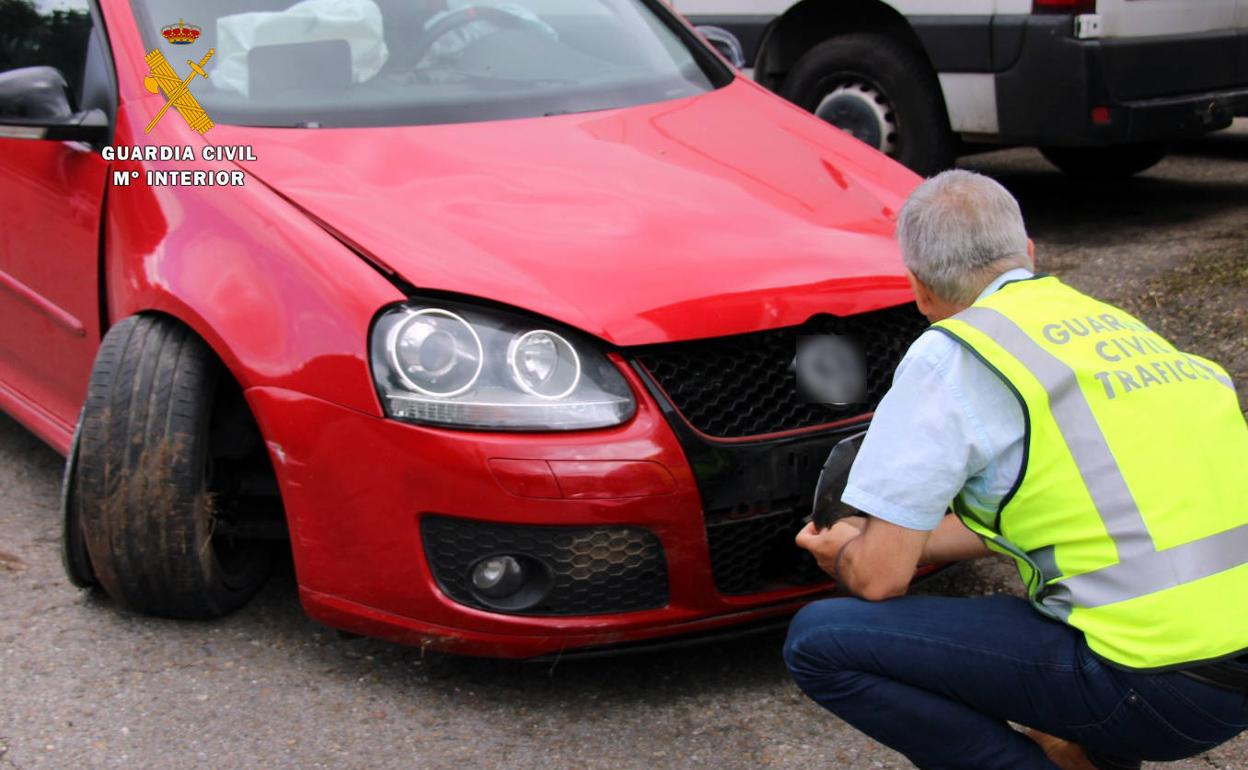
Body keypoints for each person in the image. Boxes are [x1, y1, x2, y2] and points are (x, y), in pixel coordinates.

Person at [785, 169, 1248, 770]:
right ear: (1028, 254)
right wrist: (914, 541)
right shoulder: (1110, 327)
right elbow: (1045, 505)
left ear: (919, 289)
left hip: (1153, 684)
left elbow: (879, 580)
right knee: (1068, 617)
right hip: (1227, 676)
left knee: (821, 641)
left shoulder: (952, 354)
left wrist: (847, 549)